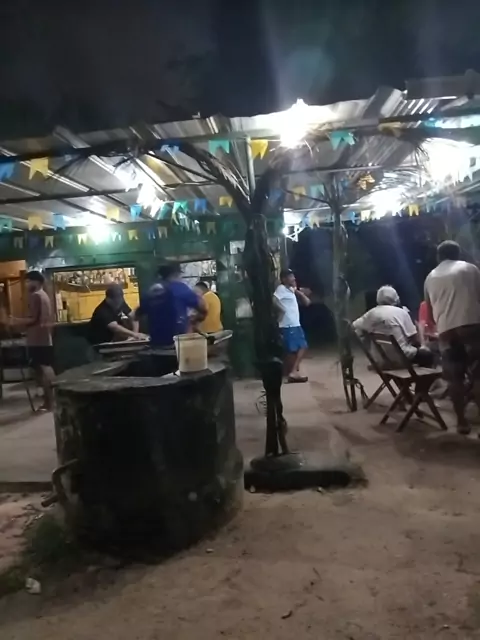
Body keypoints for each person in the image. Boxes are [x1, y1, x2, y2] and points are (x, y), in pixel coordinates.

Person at [425, 240, 480, 434]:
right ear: (458, 254)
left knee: (455, 379)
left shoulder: (430, 277)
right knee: (478, 375)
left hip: (446, 333)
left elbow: (430, 315)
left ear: (439, 256)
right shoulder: (470, 269)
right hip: (472, 329)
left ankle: (462, 423)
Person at [7, 271, 55, 411]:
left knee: (42, 370)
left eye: (28, 281)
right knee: (47, 368)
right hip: (45, 337)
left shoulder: (35, 296)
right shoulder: (44, 295)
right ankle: (51, 401)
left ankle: (48, 402)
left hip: (37, 339)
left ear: (37, 282)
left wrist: (15, 321)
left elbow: (32, 319)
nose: (26, 284)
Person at [353, 285, 433, 367]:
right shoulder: (402, 312)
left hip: (381, 358)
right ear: (395, 298)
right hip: (402, 357)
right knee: (428, 354)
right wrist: (424, 345)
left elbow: (354, 326)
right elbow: (414, 337)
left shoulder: (371, 313)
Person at [134, 264, 207, 347]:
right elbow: (202, 306)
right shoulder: (180, 288)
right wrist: (195, 320)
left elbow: (135, 316)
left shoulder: (151, 291)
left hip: (156, 344)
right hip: (177, 344)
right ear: (176, 274)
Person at [274, 269, 310, 383]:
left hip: (294, 323)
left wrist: (297, 291)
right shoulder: (281, 289)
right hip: (288, 324)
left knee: (295, 349)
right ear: (284, 279)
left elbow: (307, 302)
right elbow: (274, 300)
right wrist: (282, 310)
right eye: (290, 277)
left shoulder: (290, 290)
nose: (293, 278)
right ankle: (293, 372)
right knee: (301, 347)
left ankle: (292, 372)